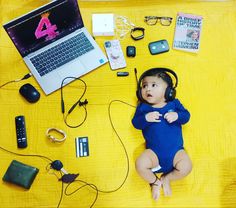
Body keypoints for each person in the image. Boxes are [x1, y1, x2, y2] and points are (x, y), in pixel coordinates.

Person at [132, 68, 192, 201]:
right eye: (144, 86)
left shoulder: (174, 104)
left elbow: (186, 116)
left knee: (187, 167)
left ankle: (166, 178)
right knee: (140, 164)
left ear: (169, 92)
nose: (148, 89)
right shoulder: (143, 108)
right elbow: (135, 123)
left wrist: (177, 115)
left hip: (176, 153)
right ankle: (155, 182)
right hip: (153, 154)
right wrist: (145, 118)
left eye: (153, 85)